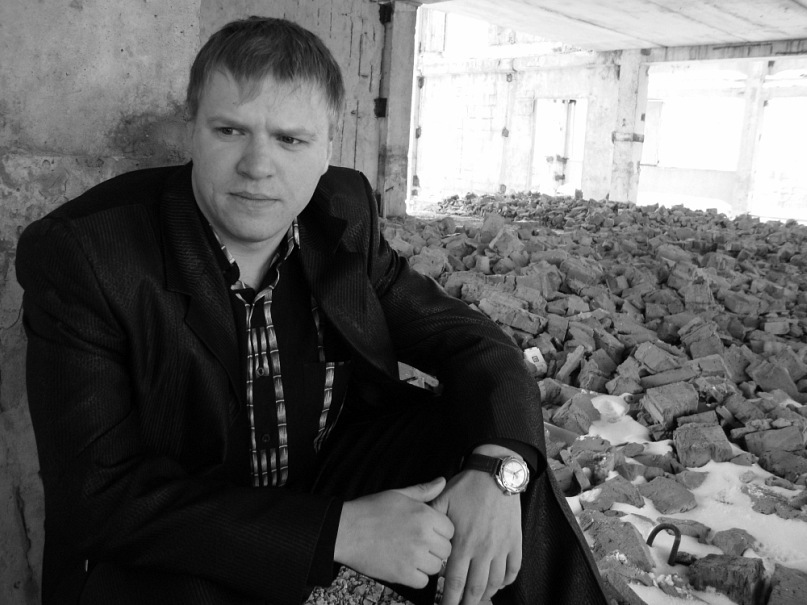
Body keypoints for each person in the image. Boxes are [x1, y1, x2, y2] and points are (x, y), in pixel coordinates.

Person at [17, 16, 608, 605]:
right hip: (185, 519)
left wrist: (500, 470)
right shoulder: (87, 254)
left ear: (329, 145)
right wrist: (339, 533)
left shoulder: (341, 213)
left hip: (319, 471)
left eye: (290, 140)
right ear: (191, 128)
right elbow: (97, 497)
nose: (257, 166)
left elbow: (473, 344)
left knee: (496, 466)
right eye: (230, 130)